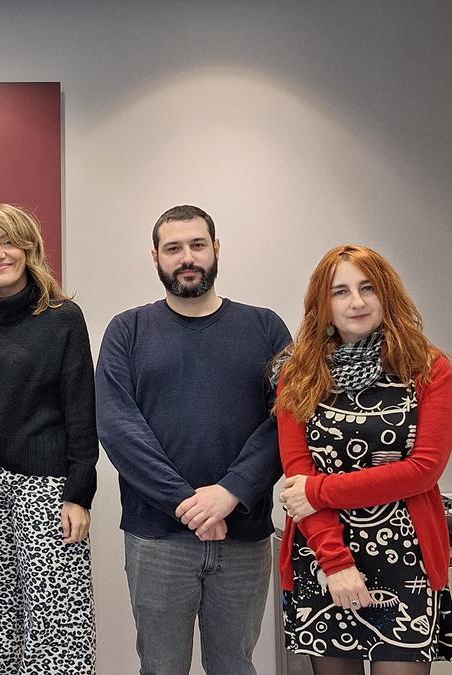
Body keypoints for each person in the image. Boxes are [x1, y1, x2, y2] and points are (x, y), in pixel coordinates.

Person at [96, 204, 291, 674]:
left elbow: (287, 421)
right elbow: (118, 428)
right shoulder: (128, 330)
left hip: (243, 535)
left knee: (234, 665)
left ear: (216, 249)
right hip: (158, 536)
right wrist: (188, 503)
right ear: (155, 257)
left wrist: (230, 493)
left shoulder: (266, 328)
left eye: (197, 245)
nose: (187, 258)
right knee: (161, 667)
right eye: (174, 248)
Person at [274, 244, 452, 674]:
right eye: (340, 292)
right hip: (324, 557)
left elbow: (424, 470)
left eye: (367, 288)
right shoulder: (298, 374)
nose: (356, 302)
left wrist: (320, 490)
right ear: (323, 304)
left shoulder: (427, 368)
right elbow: (296, 472)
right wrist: (336, 563)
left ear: (386, 294)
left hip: (406, 559)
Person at [0, 203, 97, 674]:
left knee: (57, 616)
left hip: (47, 486)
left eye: (7, 241)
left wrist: (79, 494)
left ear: (29, 247)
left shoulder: (63, 318)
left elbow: (81, 411)